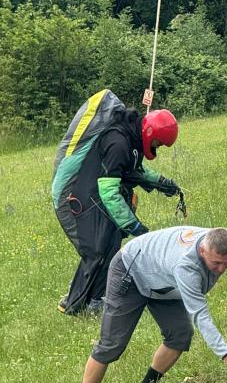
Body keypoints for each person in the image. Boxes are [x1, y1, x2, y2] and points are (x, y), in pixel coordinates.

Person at [75, 226, 227, 383]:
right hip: (130, 272)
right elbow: (200, 315)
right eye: (216, 263)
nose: (222, 269)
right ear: (202, 251)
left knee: (180, 336)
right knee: (112, 344)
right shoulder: (186, 266)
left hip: (163, 282)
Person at [52, 90, 181, 316]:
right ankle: (78, 304)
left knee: (109, 244)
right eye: (158, 143)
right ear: (150, 132)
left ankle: (89, 300)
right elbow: (109, 191)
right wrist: (133, 226)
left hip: (91, 193)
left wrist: (162, 183)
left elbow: (133, 170)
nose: (157, 148)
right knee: (97, 249)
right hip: (77, 197)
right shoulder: (118, 143)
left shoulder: (130, 138)